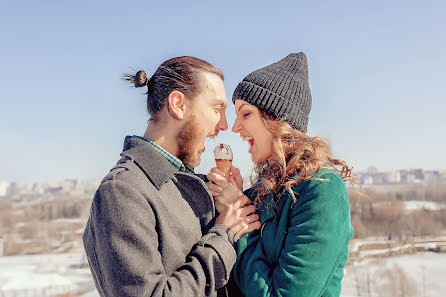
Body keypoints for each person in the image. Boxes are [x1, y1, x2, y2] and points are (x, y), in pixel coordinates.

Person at [82, 56, 260, 297]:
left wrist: (223, 210)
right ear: (178, 104)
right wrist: (223, 235)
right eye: (217, 108)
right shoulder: (122, 192)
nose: (225, 125)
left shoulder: (190, 186)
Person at [206, 52, 354, 297]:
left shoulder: (321, 190)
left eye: (245, 114)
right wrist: (241, 203)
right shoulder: (264, 189)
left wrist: (240, 223)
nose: (234, 127)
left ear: (276, 119)